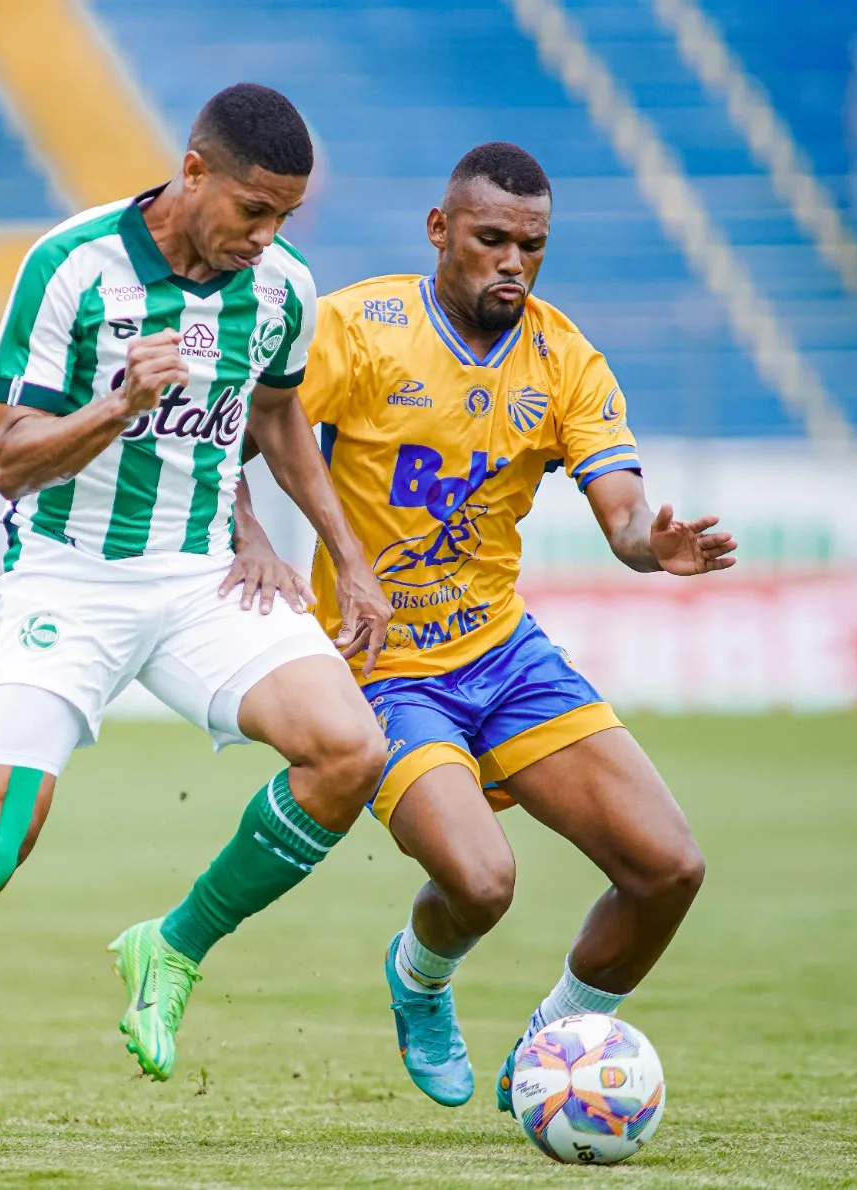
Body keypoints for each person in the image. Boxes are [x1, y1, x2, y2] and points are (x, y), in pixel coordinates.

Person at [0, 83, 393, 1161]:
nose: (265, 237)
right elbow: (8, 457)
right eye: (251, 209)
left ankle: (171, 945)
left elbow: (276, 415)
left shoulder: (279, 288)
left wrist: (336, 551)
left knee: (349, 749)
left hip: (198, 581)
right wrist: (114, 406)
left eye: (284, 216)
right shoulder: (71, 267)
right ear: (194, 171)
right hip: (66, 582)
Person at [231, 142, 732, 1109]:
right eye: (491, 238)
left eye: (531, 246)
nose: (512, 262)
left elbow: (622, 511)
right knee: (484, 883)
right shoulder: (359, 329)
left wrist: (648, 541)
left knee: (668, 870)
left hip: (504, 654)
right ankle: (420, 978)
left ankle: (551, 1048)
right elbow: (236, 433)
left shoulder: (564, 358)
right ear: (440, 231)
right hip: (385, 671)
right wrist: (251, 533)